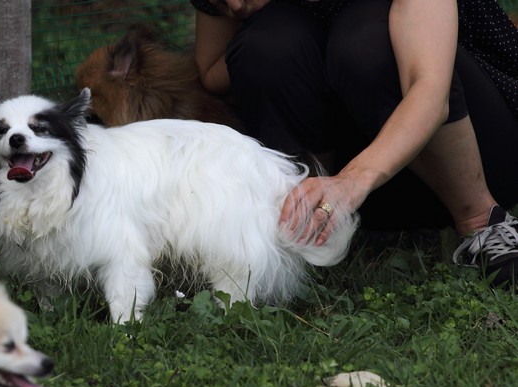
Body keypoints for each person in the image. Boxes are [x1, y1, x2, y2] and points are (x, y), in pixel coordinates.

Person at [190, 0, 518, 286]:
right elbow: (211, 70)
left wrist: (351, 181)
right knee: (268, 42)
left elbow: (430, 89)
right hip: (349, 179)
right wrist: (259, 16)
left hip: (475, 145)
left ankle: (482, 222)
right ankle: (309, 229)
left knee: (363, 40)